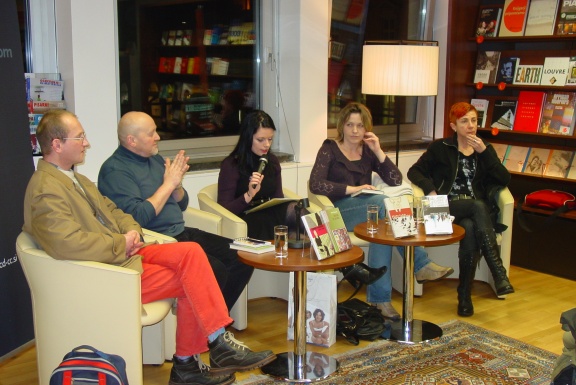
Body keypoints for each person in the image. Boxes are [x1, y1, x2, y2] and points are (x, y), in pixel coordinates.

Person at [24, 110, 276, 385]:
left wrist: (130, 229)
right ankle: (194, 361)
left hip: (124, 251)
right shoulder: (46, 188)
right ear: (57, 144)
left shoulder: (76, 179)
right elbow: (66, 243)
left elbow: (113, 211)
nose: (86, 142)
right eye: (80, 137)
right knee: (194, 276)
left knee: (191, 253)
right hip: (106, 271)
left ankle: (211, 347)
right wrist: (121, 242)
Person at [309, 102, 453, 320]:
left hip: (371, 212)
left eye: (360, 125)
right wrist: (354, 189)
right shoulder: (329, 148)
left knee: (381, 232)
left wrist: (378, 150)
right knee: (386, 204)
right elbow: (316, 184)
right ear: (342, 126)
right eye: (350, 125)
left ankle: (380, 300)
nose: (355, 131)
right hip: (338, 211)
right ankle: (421, 264)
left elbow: (395, 179)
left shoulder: (367, 151)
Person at [98, 111, 253, 312]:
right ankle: (212, 330)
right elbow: (138, 217)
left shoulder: (155, 160)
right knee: (216, 269)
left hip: (181, 232)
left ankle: (214, 323)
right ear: (131, 140)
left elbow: (182, 204)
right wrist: (168, 185)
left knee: (243, 256)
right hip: (157, 240)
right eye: (151, 133)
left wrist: (176, 185)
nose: (158, 137)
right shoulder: (115, 171)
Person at [407, 102, 515, 317]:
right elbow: (414, 171)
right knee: (476, 206)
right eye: (464, 121)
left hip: (475, 213)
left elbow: (504, 179)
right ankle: (498, 271)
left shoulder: (485, 148)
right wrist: (430, 191)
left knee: (470, 225)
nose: (471, 126)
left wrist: (485, 154)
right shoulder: (440, 148)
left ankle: (464, 295)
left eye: (474, 120)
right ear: (453, 126)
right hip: (443, 209)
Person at [217, 110, 302, 240]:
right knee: (278, 227)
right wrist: (249, 195)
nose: (267, 144)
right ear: (247, 137)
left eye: (270, 139)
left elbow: (277, 197)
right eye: (260, 140)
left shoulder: (272, 161)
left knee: (296, 209)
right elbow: (223, 210)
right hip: (246, 217)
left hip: (270, 212)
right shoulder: (231, 164)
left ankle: (326, 241)